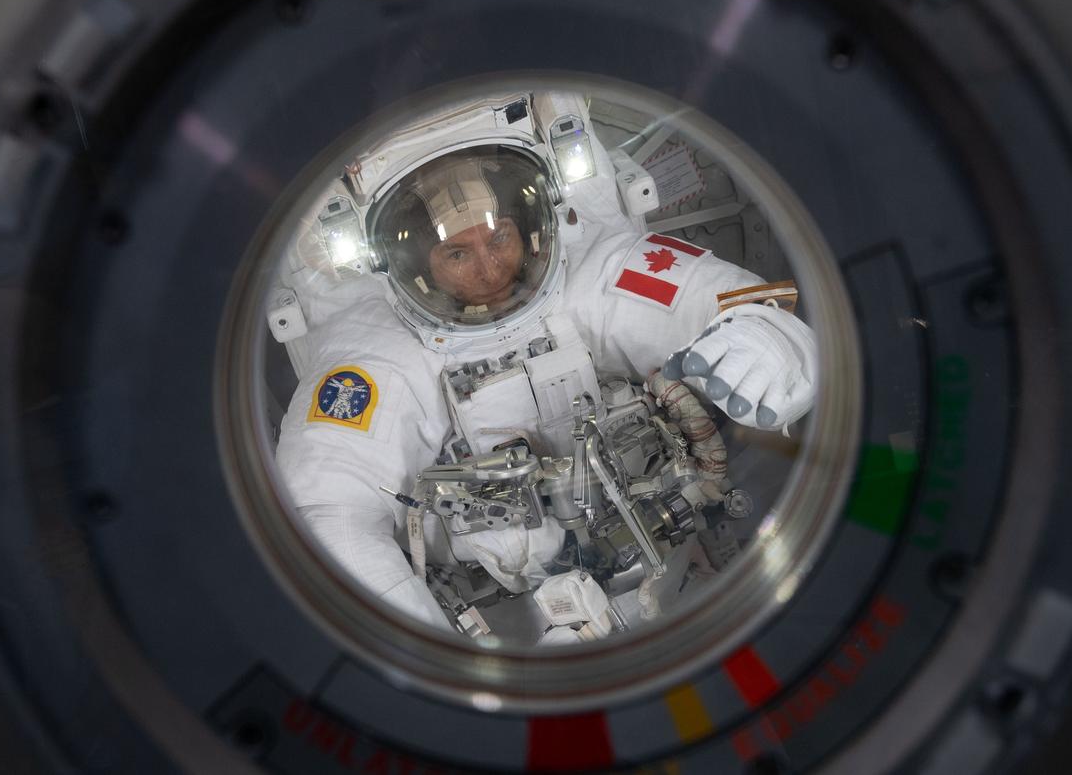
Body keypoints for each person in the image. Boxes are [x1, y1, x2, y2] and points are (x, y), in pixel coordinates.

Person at [273, 92, 817, 637]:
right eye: (457, 254)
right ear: (414, 266)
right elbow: (325, 516)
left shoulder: (590, 269)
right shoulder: (377, 351)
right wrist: (424, 649)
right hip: (506, 618)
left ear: (530, 225)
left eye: (499, 238)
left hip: (669, 551)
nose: (490, 269)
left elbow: (747, 306)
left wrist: (773, 346)